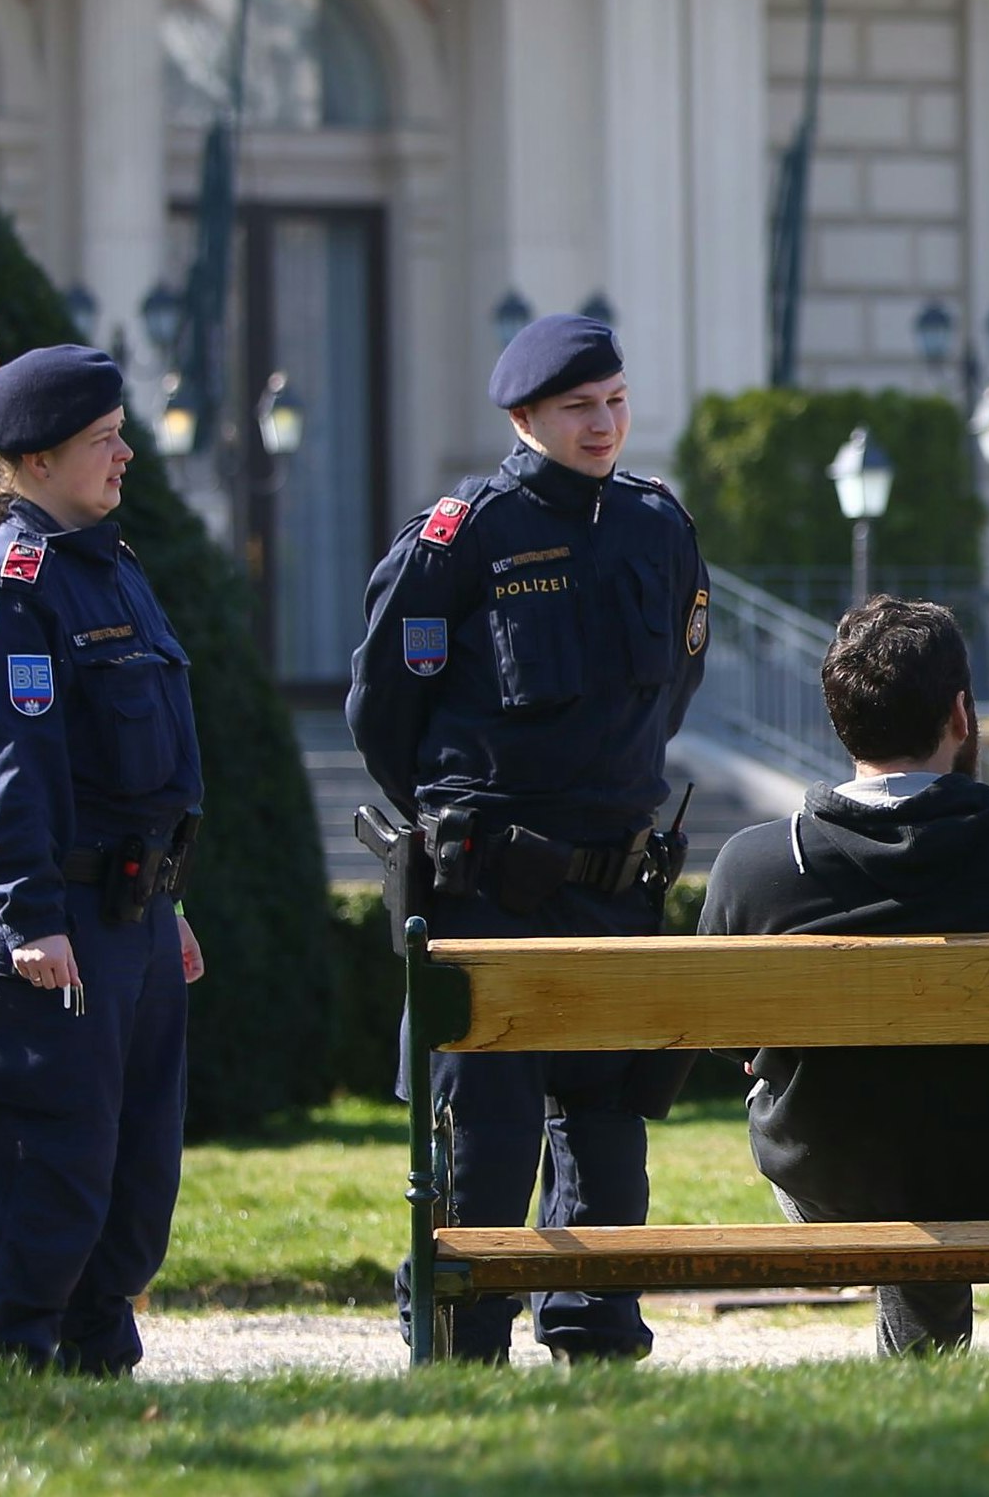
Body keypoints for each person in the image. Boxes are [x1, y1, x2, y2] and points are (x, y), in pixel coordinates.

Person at [348, 312, 709, 1365]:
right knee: (489, 1136)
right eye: (575, 408)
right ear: (523, 416)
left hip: (613, 878)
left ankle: (594, 1327)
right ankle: (464, 1332)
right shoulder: (466, 532)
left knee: (605, 1127)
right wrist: (461, 812)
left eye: (614, 400)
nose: (603, 424)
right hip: (490, 882)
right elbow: (385, 709)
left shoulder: (657, 525)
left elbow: (670, 687)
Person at [698, 596, 989, 1355]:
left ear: (840, 717)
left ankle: (926, 1370)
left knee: (889, 1130)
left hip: (830, 1180)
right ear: (962, 714)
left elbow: (718, 1039)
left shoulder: (757, 865)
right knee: (941, 1126)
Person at [0, 344, 206, 1374]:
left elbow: (146, 773)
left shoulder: (111, 567)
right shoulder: (14, 586)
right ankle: (1, 1369)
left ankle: (98, 1370)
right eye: (104, 441)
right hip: (52, 922)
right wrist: (32, 914)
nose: (127, 453)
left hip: (129, 916)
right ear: (36, 462)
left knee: (133, 1176)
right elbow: (9, 765)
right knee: (43, 1164)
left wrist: (166, 901)